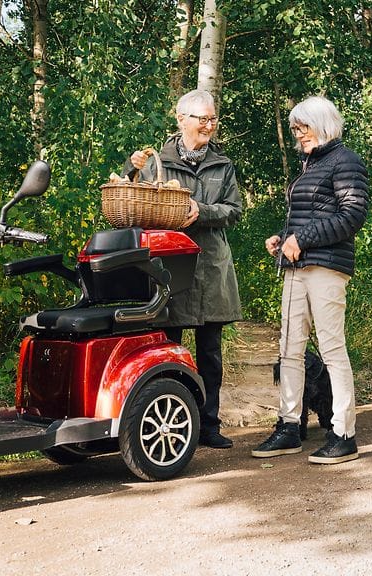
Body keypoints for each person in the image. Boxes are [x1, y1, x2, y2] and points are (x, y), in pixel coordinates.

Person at [251, 96, 369, 464]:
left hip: (327, 267)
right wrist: (282, 237)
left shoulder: (345, 160)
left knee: (332, 349)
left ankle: (343, 432)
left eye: (303, 127)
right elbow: (307, 215)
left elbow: (353, 215)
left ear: (322, 124)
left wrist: (303, 239)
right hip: (296, 269)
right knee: (289, 349)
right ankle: (289, 427)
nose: (298, 134)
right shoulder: (308, 164)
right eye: (295, 129)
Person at [124, 89, 243, 449]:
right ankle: (175, 422)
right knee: (168, 349)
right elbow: (133, 201)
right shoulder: (156, 161)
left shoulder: (222, 164)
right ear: (181, 119)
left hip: (210, 267)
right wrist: (133, 169)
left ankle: (209, 426)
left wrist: (201, 212)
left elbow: (234, 210)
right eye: (201, 119)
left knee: (210, 354)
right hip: (168, 268)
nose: (208, 125)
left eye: (213, 119)